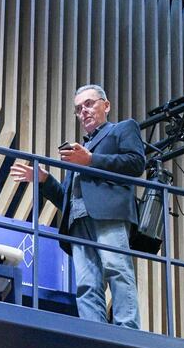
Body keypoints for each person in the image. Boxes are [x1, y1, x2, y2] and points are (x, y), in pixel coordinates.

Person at [10, 84, 146, 329]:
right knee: (86, 283)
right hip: (77, 221)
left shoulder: (122, 129)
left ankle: (128, 328)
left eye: (90, 103)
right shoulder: (77, 152)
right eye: (79, 108)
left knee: (117, 269)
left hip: (109, 214)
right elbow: (66, 198)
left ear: (106, 105)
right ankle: (93, 330)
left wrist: (91, 159)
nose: (84, 111)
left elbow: (136, 163)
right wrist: (45, 180)